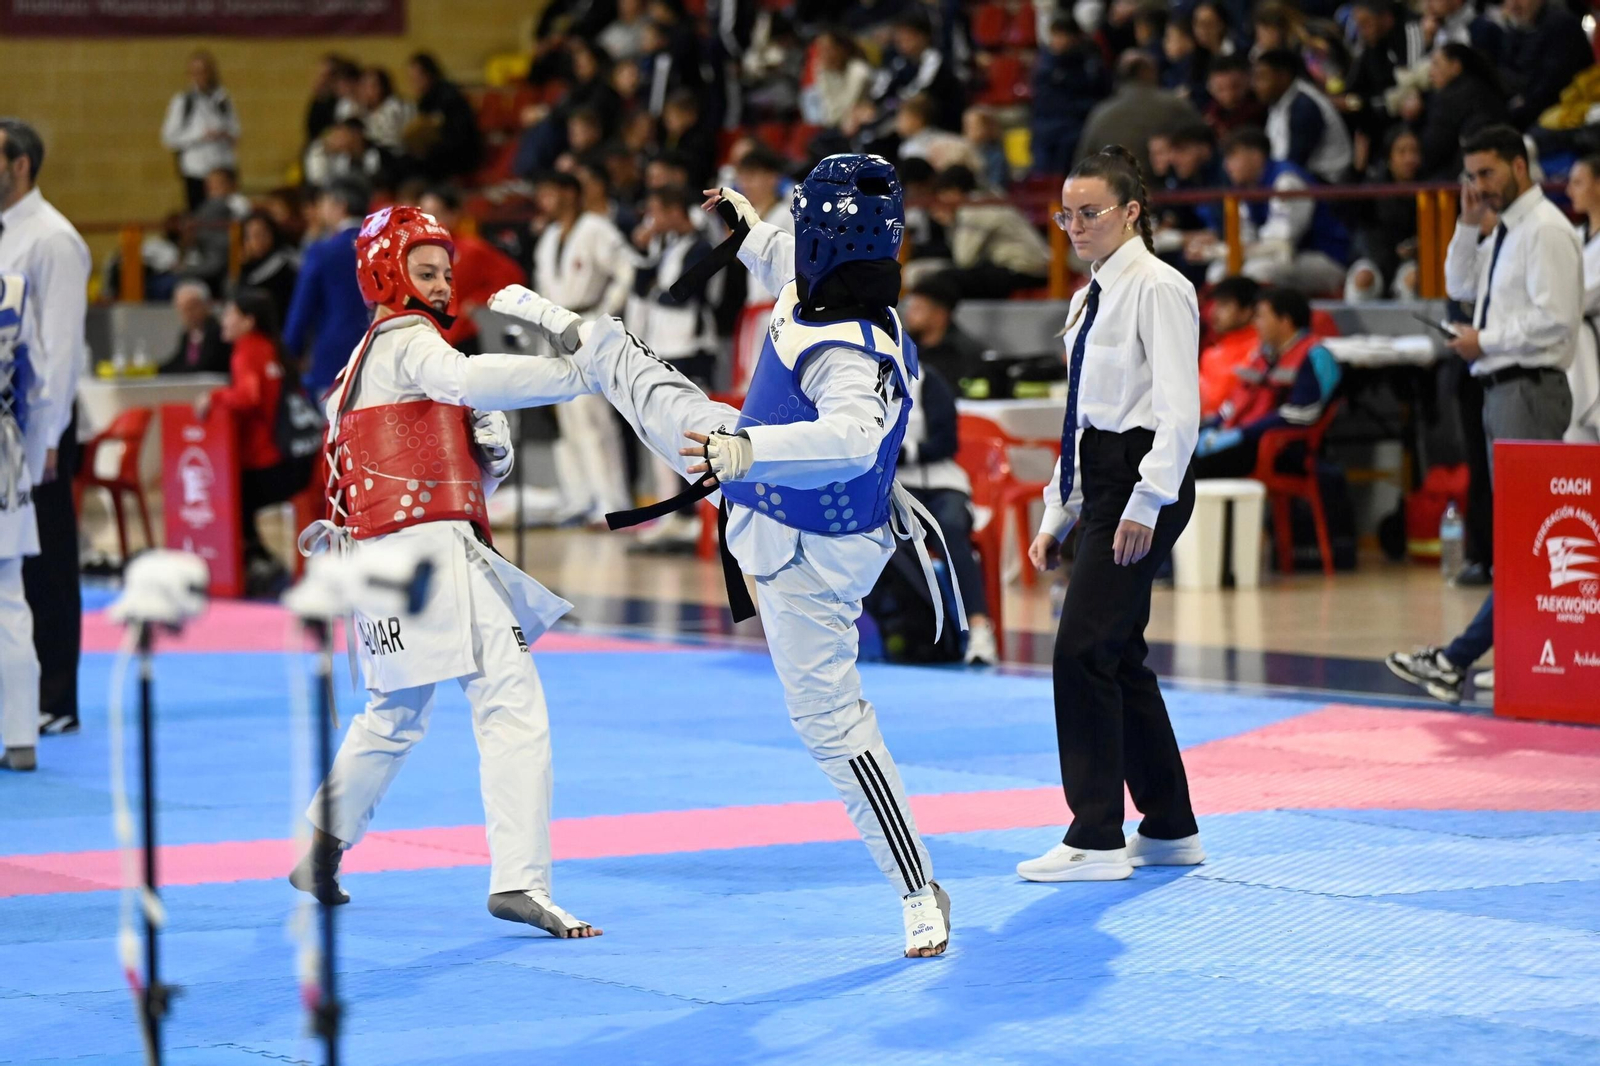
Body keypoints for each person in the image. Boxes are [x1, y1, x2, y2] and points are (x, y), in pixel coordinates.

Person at [490, 156, 960, 958]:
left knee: (832, 729)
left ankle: (919, 889)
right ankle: (584, 339)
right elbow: (782, 259)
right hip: (744, 476)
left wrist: (749, 450)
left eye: (803, 226)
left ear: (828, 241)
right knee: (637, 374)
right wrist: (748, 231)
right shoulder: (815, 285)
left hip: (811, 551)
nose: (794, 240)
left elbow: (852, 440)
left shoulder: (852, 351)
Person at [289, 206, 601, 939]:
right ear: (385, 275)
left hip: (381, 554)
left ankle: (320, 848)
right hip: (427, 551)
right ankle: (520, 879)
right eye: (424, 270)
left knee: (395, 713)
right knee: (510, 700)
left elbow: (438, 472)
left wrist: (486, 454)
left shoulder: (355, 368)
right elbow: (462, 377)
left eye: (445, 272)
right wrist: (576, 373)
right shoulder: (408, 341)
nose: (440, 285)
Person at [1018, 145, 1202, 884]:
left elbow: (1180, 412)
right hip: (1100, 475)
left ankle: (1095, 835)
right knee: (1117, 653)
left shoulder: (1159, 287)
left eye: (1089, 212)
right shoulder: (1087, 297)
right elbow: (1080, 419)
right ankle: (1169, 826)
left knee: (1082, 651)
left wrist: (1146, 500)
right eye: (1065, 215)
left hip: (1141, 475)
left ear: (1130, 212)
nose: (1075, 226)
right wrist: (1056, 514)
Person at [1387, 125, 1580, 703]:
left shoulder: (1546, 230)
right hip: (1501, 389)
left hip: (1529, 389)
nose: (1479, 186)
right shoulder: (1508, 230)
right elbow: (1460, 286)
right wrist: (1467, 225)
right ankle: (1506, 656)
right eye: (1471, 176)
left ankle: (1457, 659)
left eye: (1488, 173)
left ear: (1520, 166)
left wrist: (1485, 340)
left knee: (1524, 541)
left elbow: (1555, 319)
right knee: (1517, 539)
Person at [0, 118, 91, 737]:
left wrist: (49, 437)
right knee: (11, 564)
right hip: (9, 421)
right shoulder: (8, 233)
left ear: (21, 164)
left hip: (39, 419)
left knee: (47, 562)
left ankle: (57, 697)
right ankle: (18, 694)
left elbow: (59, 349)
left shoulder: (53, 239)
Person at [530, 170, 635, 524]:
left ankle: (613, 502)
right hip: (556, 329)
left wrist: (605, 314)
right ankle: (582, 498)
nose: (544, 199)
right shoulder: (548, 238)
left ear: (570, 193)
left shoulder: (595, 228)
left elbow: (627, 271)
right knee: (569, 421)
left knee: (595, 420)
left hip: (588, 325)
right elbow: (543, 293)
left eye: (550, 191)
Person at [194, 288, 311, 594]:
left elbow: (248, 396)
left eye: (229, 313)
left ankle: (258, 564)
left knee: (226, 494)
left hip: (273, 465)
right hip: (301, 461)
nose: (223, 319)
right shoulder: (274, 347)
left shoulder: (247, 349)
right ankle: (262, 560)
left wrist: (213, 397)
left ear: (248, 321)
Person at [624, 185, 721, 548]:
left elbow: (682, 294)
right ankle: (673, 514)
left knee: (694, 431)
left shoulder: (701, 246)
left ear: (675, 211)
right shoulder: (665, 246)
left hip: (691, 347)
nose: (651, 222)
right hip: (662, 346)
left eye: (657, 213)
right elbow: (640, 287)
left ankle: (696, 515)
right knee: (664, 431)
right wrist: (642, 251)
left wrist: (656, 291)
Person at [1191, 286, 1342, 478]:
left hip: (1278, 447)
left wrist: (1242, 434)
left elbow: (1301, 414)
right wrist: (1212, 427)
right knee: (1177, 449)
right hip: (1244, 439)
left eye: (1261, 317)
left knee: (1189, 467)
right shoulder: (1263, 356)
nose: (1256, 323)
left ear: (1284, 321)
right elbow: (1237, 401)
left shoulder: (1314, 355)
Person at [1192, 126, 1348, 295]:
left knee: (1257, 271)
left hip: (1324, 257)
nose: (1227, 165)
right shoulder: (1246, 187)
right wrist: (1220, 252)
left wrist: (1219, 251)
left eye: (1233, 156)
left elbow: (1281, 243)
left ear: (1256, 155)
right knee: (1218, 271)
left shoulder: (1287, 181)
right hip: (1286, 255)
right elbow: (1245, 236)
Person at [0, 273, 50, 771]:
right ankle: (20, 739)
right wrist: (28, 469)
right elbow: (38, 390)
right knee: (9, 600)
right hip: (5, 460)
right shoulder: (12, 290)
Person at [284, 179, 372, 398]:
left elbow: (301, 309)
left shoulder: (322, 251)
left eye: (323, 203)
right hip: (382, 355)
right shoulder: (386, 247)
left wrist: (288, 353)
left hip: (334, 359)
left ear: (339, 205)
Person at [417, 187, 526, 356]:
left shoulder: (471, 249)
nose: (427, 223)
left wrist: (477, 301)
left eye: (435, 215)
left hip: (463, 338)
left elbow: (514, 276)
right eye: (423, 216)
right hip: (429, 339)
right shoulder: (415, 254)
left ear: (453, 215)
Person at [928, 165, 1053, 299]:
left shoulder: (974, 208)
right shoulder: (989, 197)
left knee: (947, 279)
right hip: (1036, 268)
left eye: (943, 194)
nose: (941, 201)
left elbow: (963, 260)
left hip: (1024, 271)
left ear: (954, 191)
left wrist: (950, 224)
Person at [1076, 51, 1202, 180]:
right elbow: (1206, 147)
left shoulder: (1099, 114)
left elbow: (1081, 167)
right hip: (1167, 189)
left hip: (1114, 190)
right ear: (1148, 72)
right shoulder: (1176, 105)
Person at [1253, 49, 1351, 184]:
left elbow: (1294, 162)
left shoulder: (1305, 105)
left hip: (1327, 184)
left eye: (1262, 77)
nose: (1256, 85)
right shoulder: (1280, 101)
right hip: (1304, 178)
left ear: (1283, 76)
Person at [1411, 44, 1507, 182]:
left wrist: (1414, 119)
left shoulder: (1451, 98)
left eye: (1436, 64)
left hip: (1458, 178)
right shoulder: (1482, 88)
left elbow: (1433, 149)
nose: (1430, 72)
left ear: (1456, 66)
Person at [1348, 126, 1424, 301]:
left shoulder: (1430, 190)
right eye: (1402, 152)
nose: (1409, 158)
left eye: (1414, 151)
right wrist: (1356, 171)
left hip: (1412, 263)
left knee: (1413, 279)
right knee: (1363, 278)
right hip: (1376, 258)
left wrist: (1415, 248)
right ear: (1389, 157)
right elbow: (1350, 214)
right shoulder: (1373, 189)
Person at [161, 51, 241, 211]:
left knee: (227, 212)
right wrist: (199, 136)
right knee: (201, 215)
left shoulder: (222, 99)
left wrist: (225, 134)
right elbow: (169, 138)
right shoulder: (183, 101)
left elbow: (236, 131)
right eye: (195, 72)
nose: (200, 77)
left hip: (223, 168)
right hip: (196, 171)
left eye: (204, 72)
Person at [1500, 0, 1593, 131]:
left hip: (1566, 114)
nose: (1513, 4)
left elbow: (1550, 88)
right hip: (1530, 111)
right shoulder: (1516, 29)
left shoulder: (1562, 26)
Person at [869, 9, 966, 132]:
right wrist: (872, 106)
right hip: (902, 117)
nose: (902, 41)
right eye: (899, 37)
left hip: (940, 123)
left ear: (923, 36)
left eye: (907, 36)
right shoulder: (898, 63)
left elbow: (921, 91)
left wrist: (895, 103)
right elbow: (880, 91)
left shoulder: (935, 59)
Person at [901, 276, 987, 393]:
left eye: (918, 309)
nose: (909, 314)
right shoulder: (903, 345)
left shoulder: (966, 353)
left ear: (939, 315)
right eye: (909, 308)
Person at [404, 53, 484, 181]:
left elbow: (458, 134)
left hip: (461, 152)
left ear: (429, 75)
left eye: (417, 79)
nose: (414, 84)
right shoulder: (425, 100)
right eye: (412, 80)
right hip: (440, 149)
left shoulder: (449, 96)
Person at [1565, 154, 1600, 443]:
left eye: (1578, 182)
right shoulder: (1573, 236)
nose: (1569, 190)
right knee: (1576, 439)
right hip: (1575, 350)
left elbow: (1585, 296)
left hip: (1595, 335)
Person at [1198, 275, 1261, 419]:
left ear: (1247, 311)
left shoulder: (1258, 351)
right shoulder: (1211, 353)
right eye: (1215, 304)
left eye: (1224, 305)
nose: (1213, 312)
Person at [238, 211, 300, 327]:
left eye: (260, 233)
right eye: (250, 236)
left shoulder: (285, 261)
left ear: (272, 233)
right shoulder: (248, 267)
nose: (256, 240)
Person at [162, 280, 231, 375]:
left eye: (191, 307)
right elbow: (178, 362)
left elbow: (204, 366)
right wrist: (153, 370)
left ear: (207, 305)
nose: (187, 314)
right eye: (182, 309)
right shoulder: (187, 334)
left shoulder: (218, 333)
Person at [1202, 54, 1266, 137]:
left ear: (1249, 81)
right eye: (1220, 89)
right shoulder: (1211, 114)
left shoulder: (1261, 110)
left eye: (1236, 87)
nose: (1229, 95)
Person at [356, 67, 414, 155]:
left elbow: (392, 142)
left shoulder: (395, 107)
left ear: (383, 87)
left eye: (371, 86)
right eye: (363, 86)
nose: (366, 91)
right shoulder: (364, 111)